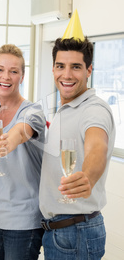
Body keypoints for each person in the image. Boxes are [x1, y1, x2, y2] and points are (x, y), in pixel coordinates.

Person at [39, 35, 115, 259]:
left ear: (89, 70)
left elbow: (97, 147)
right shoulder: (68, 107)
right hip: (61, 231)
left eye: (76, 67)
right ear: (53, 69)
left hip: (76, 233)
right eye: (60, 66)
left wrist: (88, 177)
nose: (67, 74)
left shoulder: (94, 109)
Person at [0, 44, 46, 260]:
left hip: (23, 223)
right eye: (0, 69)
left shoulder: (33, 111)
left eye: (13, 71)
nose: (6, 76)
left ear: (22, 76)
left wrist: (11, 140)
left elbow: (23, 129)